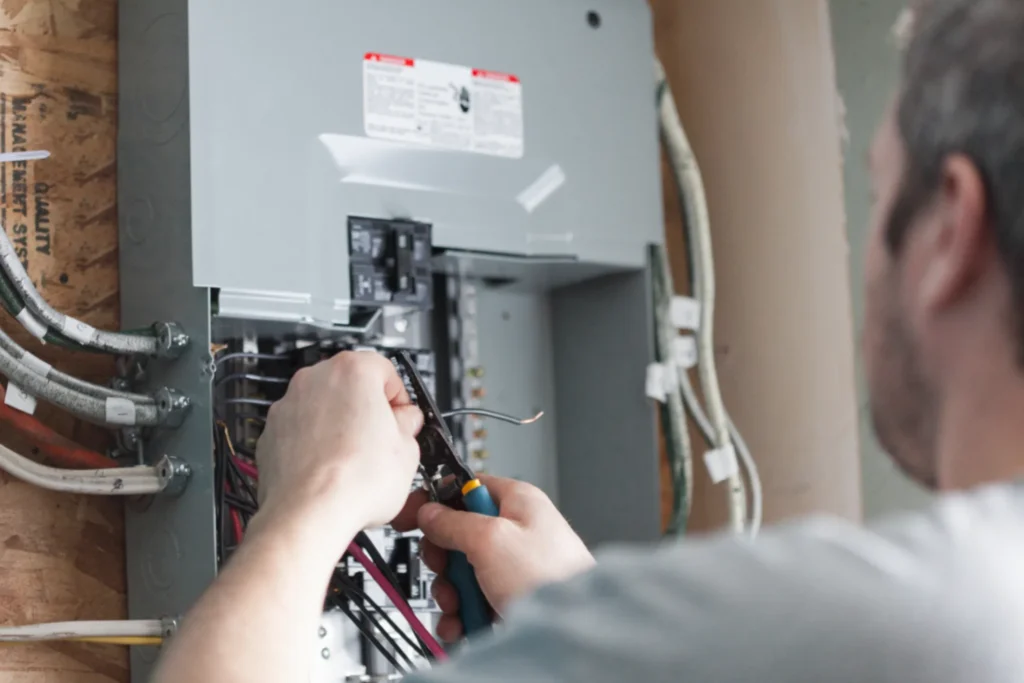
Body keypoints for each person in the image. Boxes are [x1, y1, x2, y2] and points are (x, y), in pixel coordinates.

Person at [153, 0, 1024, 680]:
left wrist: (314, 500)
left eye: (876, 203)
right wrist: (585, 623)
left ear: (950, 229)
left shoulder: (911, 623)